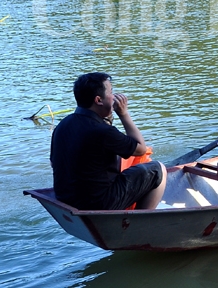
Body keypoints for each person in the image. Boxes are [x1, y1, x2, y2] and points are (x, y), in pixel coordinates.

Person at [51, 72, 166, 210]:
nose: (115, 97)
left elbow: (54, 163)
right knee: (158, 169)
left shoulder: (63, 125)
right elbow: (141, 149)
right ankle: (139, 223)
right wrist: (124, 114)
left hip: (66, 198)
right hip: (98, 203)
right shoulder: (102, 131)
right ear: (99, 100)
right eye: (111, 92)